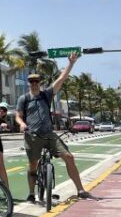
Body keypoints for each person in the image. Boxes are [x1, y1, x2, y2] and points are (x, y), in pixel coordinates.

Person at [14, 53, 94, 202]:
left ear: (40, 83)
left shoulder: (47, 94)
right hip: (32, 135)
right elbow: (18, 115)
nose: (34, 84)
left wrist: (71, 63)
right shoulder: (23, 99)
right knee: (32, 165)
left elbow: (61, 78)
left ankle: (81, 190)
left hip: (49, 134)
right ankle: (32, 193)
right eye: (31, 81)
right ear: (28, 84)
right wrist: (22, 124)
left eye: (36, 81)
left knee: (69, 157)